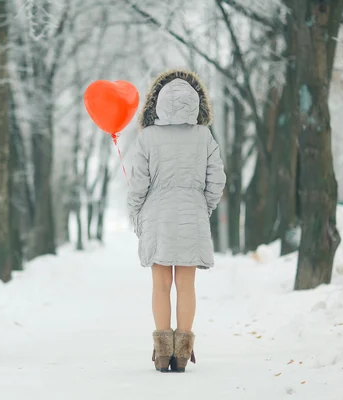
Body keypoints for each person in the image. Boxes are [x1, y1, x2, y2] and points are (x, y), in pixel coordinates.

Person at [127, 70, 226, 373]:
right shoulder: (203, 136)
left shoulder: (148, 137)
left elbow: (138, 185)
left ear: (157, 102)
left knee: (160, 284)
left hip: (157, 216)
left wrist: (136, 214)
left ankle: (161, 353)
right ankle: (182, 354)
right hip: (192, 215)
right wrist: (202, 207)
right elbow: (217, 180)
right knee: (186, 285)